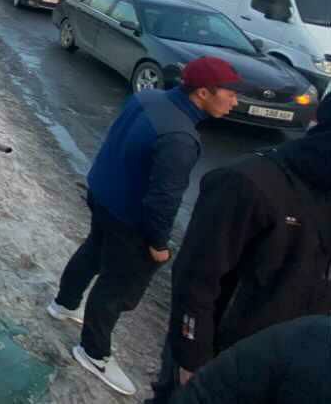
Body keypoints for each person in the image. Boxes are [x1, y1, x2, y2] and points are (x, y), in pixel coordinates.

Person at [46, 57, 241, 397]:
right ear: (203, 93)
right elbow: (162, 201)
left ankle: (64, 304)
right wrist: (158, 244)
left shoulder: (149, 98)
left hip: (102, 191)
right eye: (230, 94)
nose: (235, 102)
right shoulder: (180, 137)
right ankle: (93, 352)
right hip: (129, 219)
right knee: (118, 287)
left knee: (93, 252)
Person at [148, 93, 331, 402]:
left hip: (293, 367)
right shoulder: (246, 183)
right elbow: (195, 281)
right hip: (221, 364)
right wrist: (192, 359)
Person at [165, 315, 331, 404]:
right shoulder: (315, 336)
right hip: (218, 355)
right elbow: (198, 277)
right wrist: (191, 355)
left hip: (254, 352)